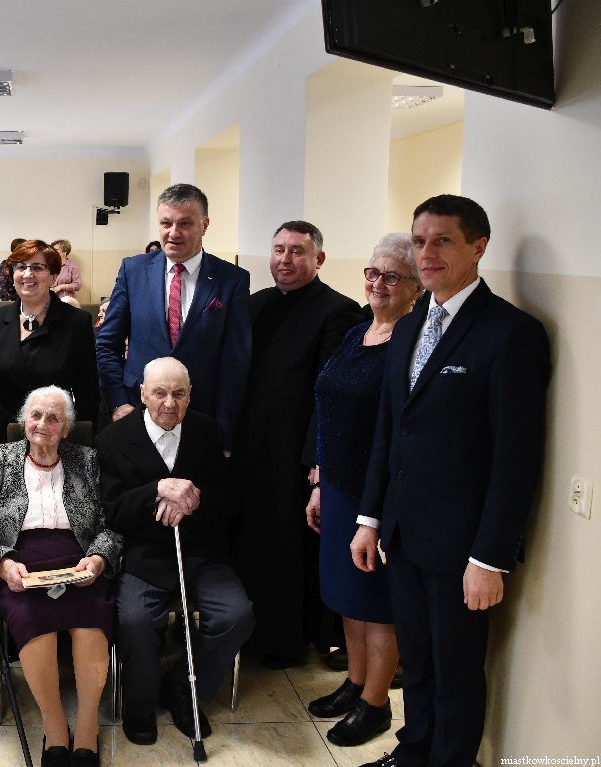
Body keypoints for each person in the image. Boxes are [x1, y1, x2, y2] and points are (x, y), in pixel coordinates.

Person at [351, 196, 551, 767]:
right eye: (420, 241)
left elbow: (516, 458)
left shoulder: (509, 334)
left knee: (456, 673)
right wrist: (370, 518)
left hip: (463, 546)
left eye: (443, 240)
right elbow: (390, 430)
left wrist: (490, 557)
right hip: (403, 535)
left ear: (478, 247)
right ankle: (414, 751)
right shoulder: (410, 324)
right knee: (417, 661)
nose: (427, 252)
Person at [303, 234, 422, 747]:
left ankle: (375, 704)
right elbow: (329, 410)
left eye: (393, 276)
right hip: (337, 486)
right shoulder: (359, 331)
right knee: (346, 595)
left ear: (416, 287)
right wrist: (319, 481)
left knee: (376, 602)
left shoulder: (412, 342)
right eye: (373, 273)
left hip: (377, 494)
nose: (378, 283)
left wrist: (370, 509)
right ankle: (354, 682)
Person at [99, 357, 254, 746]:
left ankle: (183, 689)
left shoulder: (206, 430)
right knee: (135, 620)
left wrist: (195, 499)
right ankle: (140, 704)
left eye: (179, 394)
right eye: (160, 393)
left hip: (200, 552)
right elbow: (111, 512)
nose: (169, 403)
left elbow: (228, 499)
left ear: (190, 396)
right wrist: (156, 490)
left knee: (236, 615)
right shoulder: (112, 439)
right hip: (144, 555)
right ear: (142, 394)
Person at [0, 387, 121, 767]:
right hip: (19, 565)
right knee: (33, 621)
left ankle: (87, 727)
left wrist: (98, 559)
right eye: (35, 415)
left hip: (80, 563)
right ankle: (54, 727)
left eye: (54, 418)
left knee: (91, 622)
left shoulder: (88, 460)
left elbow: (111, 525)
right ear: (23, 421)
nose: (42, 424)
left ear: (65, 428)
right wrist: (2, 565)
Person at [235, 220, 365, 669]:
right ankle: (251, 633)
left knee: (291, 549)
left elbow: (330, 395)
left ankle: (289, 641)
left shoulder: (339, 312)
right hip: (252, 448)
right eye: (279, 250)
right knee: (253, 542)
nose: (285, 260)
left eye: (297, 251)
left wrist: (317, 461)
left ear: (319, 259)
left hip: (297, 452)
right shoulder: (254, 305)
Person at [96, 183, 251, 454]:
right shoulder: (133, 270)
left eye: (185, 223)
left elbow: (234, 364)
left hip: (201, 420)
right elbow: (107, 345)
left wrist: (225, 436)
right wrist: (119, 402)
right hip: (137, 413)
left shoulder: (231, 279)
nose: (173, 233)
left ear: (205, 225)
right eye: (166, 223)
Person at [0, 240, 99, 447]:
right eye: (20, 267)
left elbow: (87, 389)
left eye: (37, 267)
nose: (27, 274)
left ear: (53, 275)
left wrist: (84, 441)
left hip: (52, 435)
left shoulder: (77, 322)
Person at [0, 237, 27, 301]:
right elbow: (2, 288)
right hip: (13, 300)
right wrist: (9, 303)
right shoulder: (6, 264)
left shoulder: (29, 263)